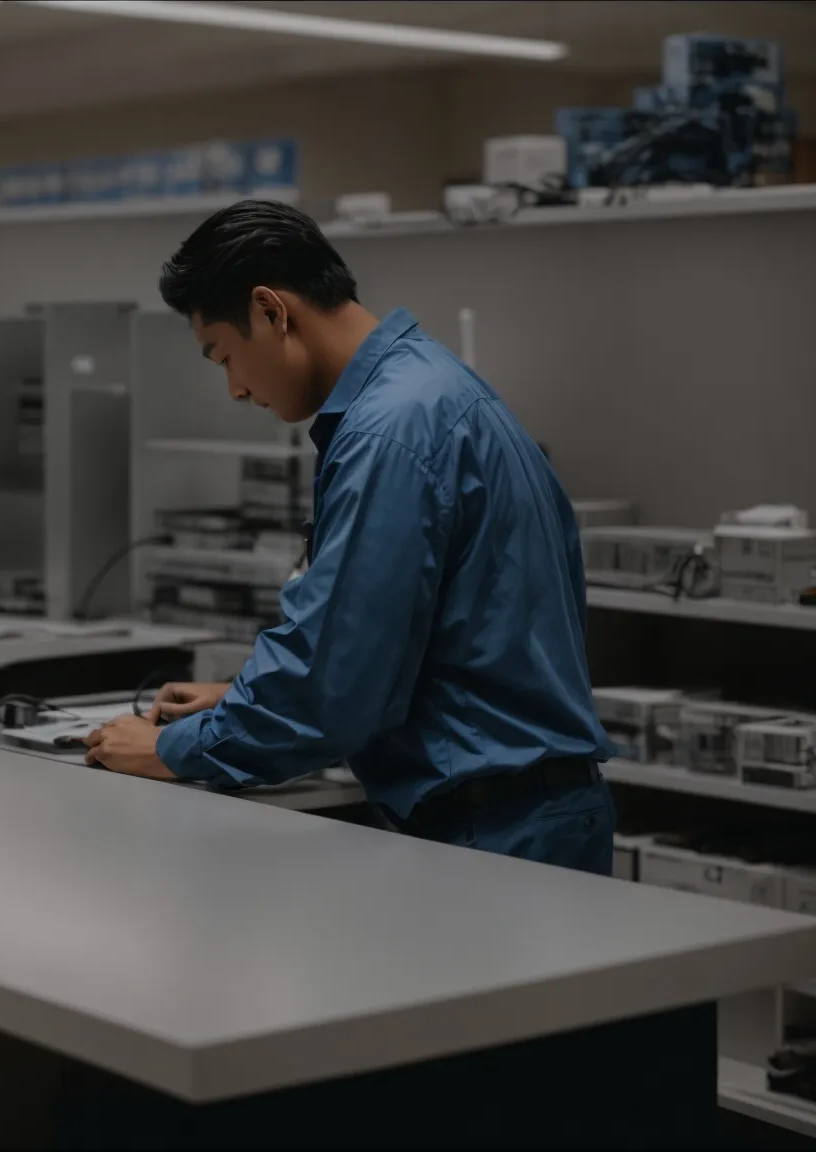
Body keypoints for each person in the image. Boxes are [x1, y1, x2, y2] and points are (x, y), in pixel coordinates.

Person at [81, 199, 617, 874]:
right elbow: (412, 649)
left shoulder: (387, 433)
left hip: (494, 834)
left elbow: (335, 688)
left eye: (224, 355)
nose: (235, 390)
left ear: (272, 311)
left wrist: (167, 750)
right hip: (523, 815)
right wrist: (246, 699)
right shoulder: (434, 390)